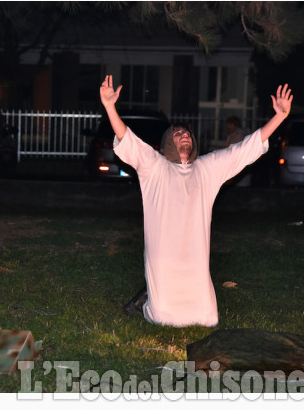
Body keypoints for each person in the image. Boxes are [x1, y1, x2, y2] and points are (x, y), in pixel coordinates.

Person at [100, 75, 292, 327]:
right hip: (164, 260)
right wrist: (109, 106)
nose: (184, 135)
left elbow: (244, 150)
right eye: (178, 133)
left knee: (208, 319)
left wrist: (279, 116)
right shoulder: (154, 167)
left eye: (187, 133)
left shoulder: (206, 169)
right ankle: (146, 301)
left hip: (195, 261)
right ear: (169, 141)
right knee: (163, 318)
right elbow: (129, 141)